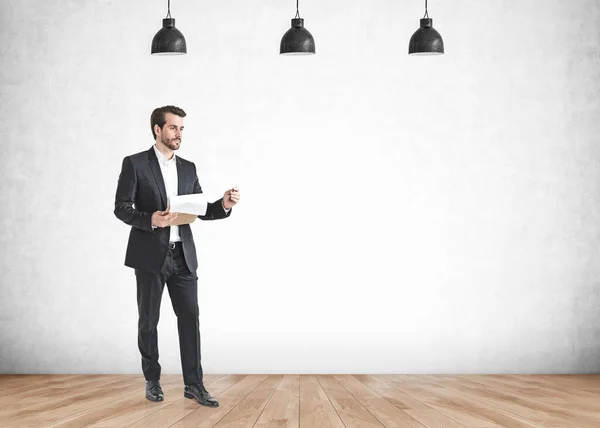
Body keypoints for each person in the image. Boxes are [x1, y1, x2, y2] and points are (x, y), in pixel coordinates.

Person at [114, 105, 240, 407]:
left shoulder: (188, 167)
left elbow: (201, 211)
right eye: (173, 128)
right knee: (149, 321)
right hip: (149, 256)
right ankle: (152, 381)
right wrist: (151, 220)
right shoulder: (135, 164)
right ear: (158, 130)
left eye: (182, 128)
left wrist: (222, 204)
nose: (179, 134)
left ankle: (194, 385)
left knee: (190, 320)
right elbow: (122, 207)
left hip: (182, 256)